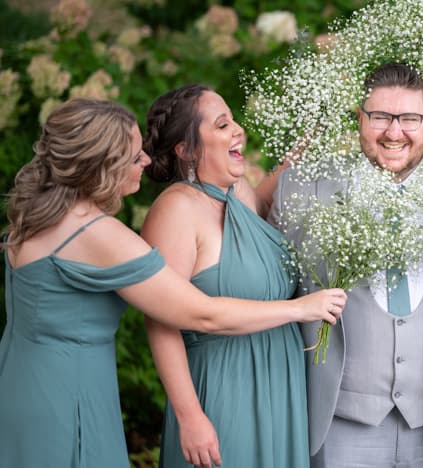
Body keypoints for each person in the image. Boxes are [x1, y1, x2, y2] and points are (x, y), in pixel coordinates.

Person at [0, 98, 347, 468]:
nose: (147, 160)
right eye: (134, 158)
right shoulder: (98, 234)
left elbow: (250, 216)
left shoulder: (39, 215)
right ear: (101, 167)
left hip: (25, 380)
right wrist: (299, 308)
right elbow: (201, 313)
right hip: (69, 394)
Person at [269, 62, 423, 468]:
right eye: (380, 117)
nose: (394, 132)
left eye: (409, 118)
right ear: (359, 118)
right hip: (340, 420)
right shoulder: (304, 187)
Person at [141, 84, 341, 468]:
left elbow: (266, 202)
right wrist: (190, 416)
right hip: (222, 385)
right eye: (221, 125)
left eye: (233, 119)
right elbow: (160, 321)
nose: (238, 130)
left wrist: (308, 143)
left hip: (278, 380)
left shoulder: (236, 191)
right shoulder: (176, 210)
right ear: (187, 150)